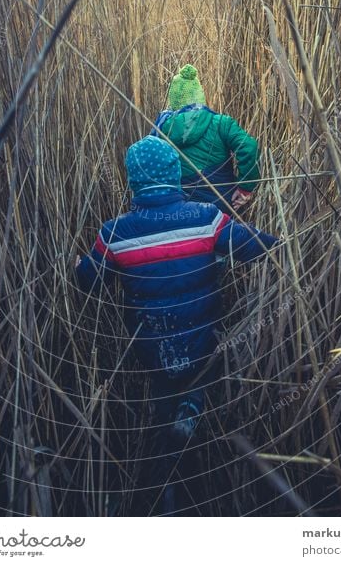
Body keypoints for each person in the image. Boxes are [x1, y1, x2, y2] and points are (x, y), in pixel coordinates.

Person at [75, 135, 278, 447]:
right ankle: (192, 409)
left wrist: (79, 266)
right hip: (202, 334)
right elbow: (255, 246)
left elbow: (90, 282)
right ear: (175, 174)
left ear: (133, 181)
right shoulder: (205, 217)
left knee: (162, 383)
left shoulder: (114, 232)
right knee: (200, 372)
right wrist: (281, 243)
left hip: (149, 341)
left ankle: (164, 436)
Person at [152, 64, 261, 212]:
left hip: (181, 209)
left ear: (173, 98)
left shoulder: (161, 129)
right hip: (222, 204)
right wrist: (245, 187)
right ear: (199, 95)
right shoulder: (221, 123)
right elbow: (249, 147)